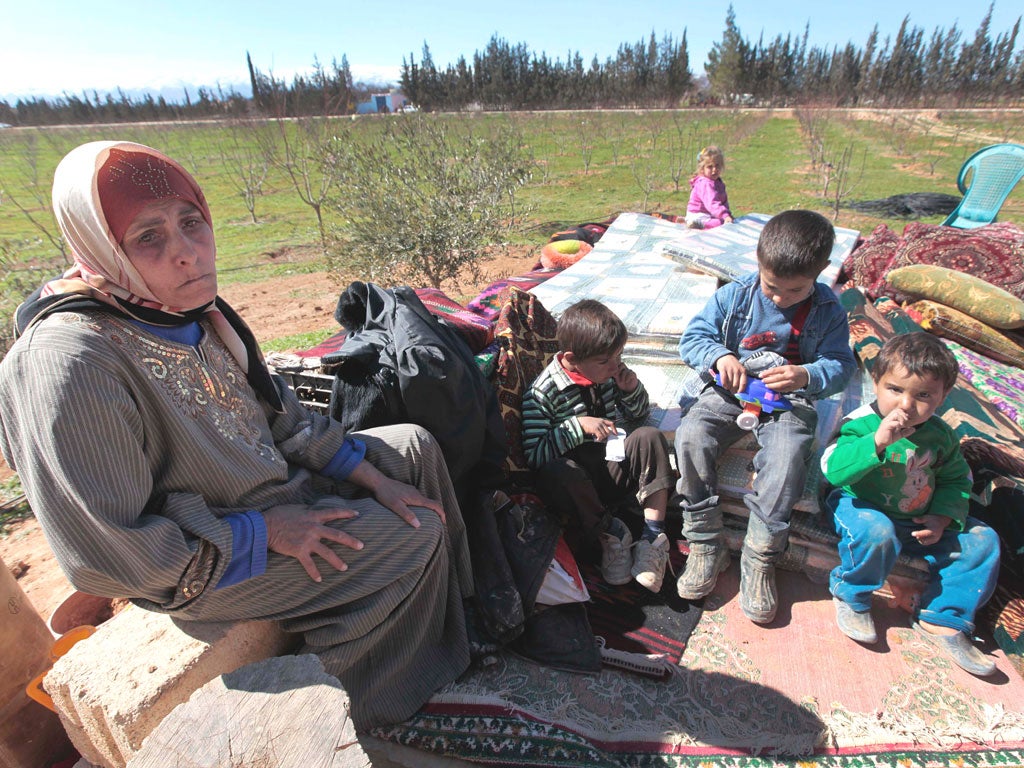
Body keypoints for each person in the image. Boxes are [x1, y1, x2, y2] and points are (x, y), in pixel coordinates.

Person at [0, 140, 474, 729]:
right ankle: (363, 708)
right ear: (101, 248)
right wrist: (264, 529)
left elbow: (285, 421)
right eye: (149, 237)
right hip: (200, 560)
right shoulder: (69, 360)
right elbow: (109, 554)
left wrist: (377, 479)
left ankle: (454, 621)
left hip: (269, 489)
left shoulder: (192, 312)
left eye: (191, 222)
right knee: (416, 533)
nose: (187, 253)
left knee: (414, 449)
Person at [674, 209, 856, 623]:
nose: (779, 298)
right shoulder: (735, 295)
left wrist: (806, 374)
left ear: (821, 272)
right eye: (772, 287)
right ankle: (705, 540)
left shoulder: (829, 311)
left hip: (790, 400)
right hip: (732, 390)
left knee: (789, 453)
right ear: (758, 262)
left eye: (794, 291)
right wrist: (720, 356)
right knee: (691, 435)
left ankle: (759, 555)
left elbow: (841, 365)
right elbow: (694, 337)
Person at [821, 332, 1000, 676]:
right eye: (895, 390)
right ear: (875, 382)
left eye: (923, 396)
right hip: (860, 508)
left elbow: (954, 479)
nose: (906, 405)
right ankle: (852, 594)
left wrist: (942, 517)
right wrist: (876, 442)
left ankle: (943, 617)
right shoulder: (860, 424)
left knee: (983, 540)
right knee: (876, 531)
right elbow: (833, 470)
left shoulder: (941, 435)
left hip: (916, 522)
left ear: (943, 396)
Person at [521, 300, 676, 593]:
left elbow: (637, 414)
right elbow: (534, 456)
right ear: (571, 359)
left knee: (649, 436)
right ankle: (611, 533)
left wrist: (631, 391)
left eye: (619, 356)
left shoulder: (606, 372)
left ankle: (652, 537)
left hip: (610, 469)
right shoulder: (542, 395)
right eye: (607, 360)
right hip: (580, 493)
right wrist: (577, 426)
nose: (616, 365)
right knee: (559, 471)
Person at [686, 145, 734, 229]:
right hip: (699, 215)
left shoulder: (718, 182)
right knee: (720, 223)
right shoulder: (705, 183)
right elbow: (712, 203)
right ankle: (698, 225)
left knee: (725, 221)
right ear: (702, 169)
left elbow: (723, 201)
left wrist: (727, 214)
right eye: (710, 167)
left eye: (717, 166)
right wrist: (724, 216)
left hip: (710, 214)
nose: (714, 169)